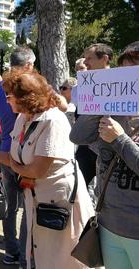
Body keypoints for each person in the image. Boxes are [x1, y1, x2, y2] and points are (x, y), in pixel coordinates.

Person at [0, 69, 94, 269]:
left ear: (27, 97)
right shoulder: (24, 118)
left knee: (62, 257)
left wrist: (15, 166)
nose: (6, 100)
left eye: (10, 96)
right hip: (36, 198)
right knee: (40, 253)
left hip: (58, 201)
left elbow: (36, 170)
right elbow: (16, 158)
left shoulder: (53, 121)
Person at [70, 41, 139, 269]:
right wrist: (101, 101)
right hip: (109, 224)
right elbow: (77, 135)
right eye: (125, 72)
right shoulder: (114, 112)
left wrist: (119, 139)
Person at [0, 46, 35, 268]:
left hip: (5, 150)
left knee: (10, 206)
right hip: (27, 153)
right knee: (29, 207)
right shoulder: (30, 88)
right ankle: (26, 257)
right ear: (29, 65)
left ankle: (11, 251)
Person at [75, 43, 113, 186]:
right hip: (86, 148)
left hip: (110, 150)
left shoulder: (121, 83)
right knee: (77, 189)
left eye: (89, 58)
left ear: (104, 59)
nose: (85, 62)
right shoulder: (86, 84)